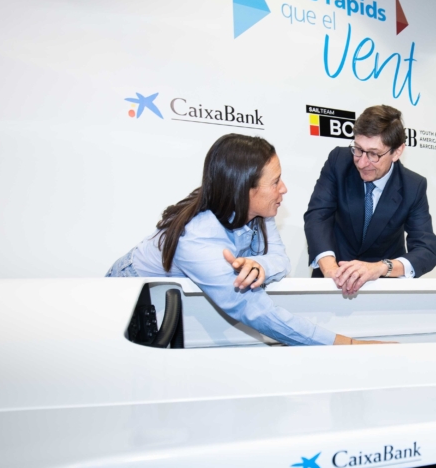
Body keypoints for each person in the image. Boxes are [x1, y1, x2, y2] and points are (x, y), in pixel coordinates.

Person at [106, 134, 375, 346]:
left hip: (172, 306)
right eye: (275, 182)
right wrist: (347, 343)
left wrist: (260, 265)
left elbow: (281, 260)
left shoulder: (261, 211)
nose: (284, 189)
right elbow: (256, 311)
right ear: (244, 189)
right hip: (126, 306)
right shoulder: (196, 236)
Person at [304, 104, 436, 296]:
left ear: (397, 152)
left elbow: (427, 250)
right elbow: (318, 216)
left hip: (383, 290)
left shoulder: (413, 185)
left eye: (374, 154)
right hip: (331, 282)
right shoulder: (339, 161)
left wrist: (381, 268)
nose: (362, 162)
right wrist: (331, 269)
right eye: (358, 149)